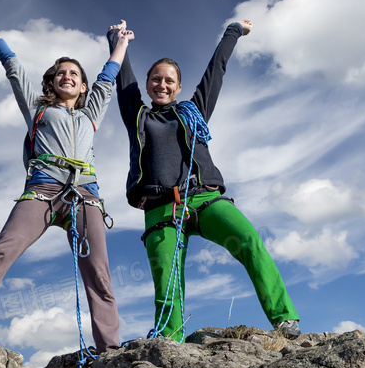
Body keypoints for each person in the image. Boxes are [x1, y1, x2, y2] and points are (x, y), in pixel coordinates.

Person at [0, 0, 133, 354]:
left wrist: (121, 44)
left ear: (83, 86)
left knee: (99, 274)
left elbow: (108, 78)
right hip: (42, 192)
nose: (67, 77)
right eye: (60, 73)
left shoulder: (91, 114)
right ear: (52, 81)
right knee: (1, 252)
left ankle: (109, 350)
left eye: (74, 75)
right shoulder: (38, 109)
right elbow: (12, 64)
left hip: (85, 197)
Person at [108, 19, 300, 342]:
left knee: (249, 240)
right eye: (156, 79)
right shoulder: (138, 116)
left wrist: (234, 31)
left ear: (179, 87)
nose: (162, 85)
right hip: (160, 208)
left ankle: (284, 318)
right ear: (147, 83)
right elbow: (123, 81)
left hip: (203, 197)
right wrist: (117, 41)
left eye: (169, 80)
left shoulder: (193, 110)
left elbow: (217, 69)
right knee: (167, 279)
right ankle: (171, 340)